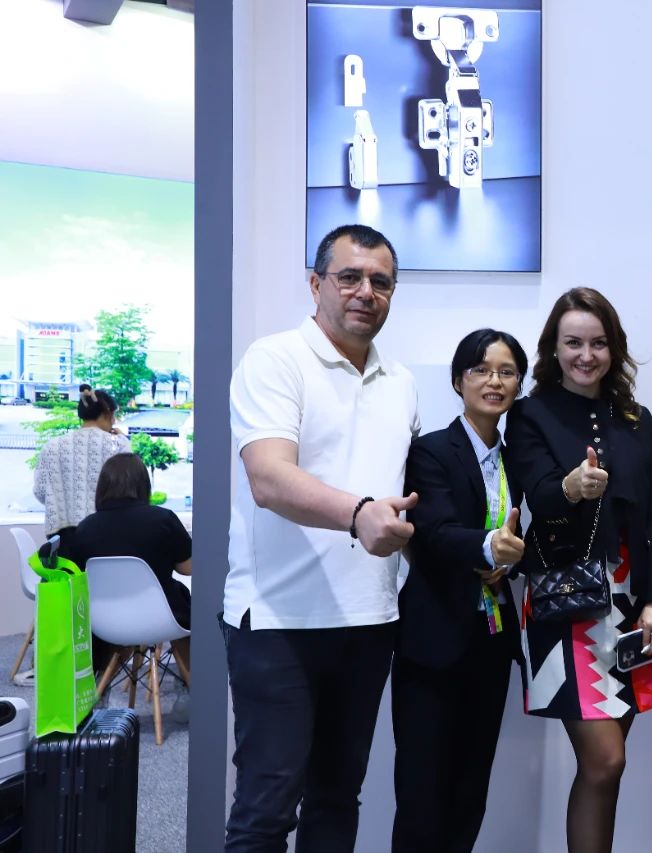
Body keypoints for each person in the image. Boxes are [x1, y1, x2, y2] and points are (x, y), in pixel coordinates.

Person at [222, 224, 420, 852]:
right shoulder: (275, 359)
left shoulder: (402, 382)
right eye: (349, 277)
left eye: (381, 282)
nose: (366, 292)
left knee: (336, 799)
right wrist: (359, 513)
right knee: (266, 808)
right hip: (278, 621)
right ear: (316, 284)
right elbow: (268, 479)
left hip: (369, 620)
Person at [504, 287, 652, 853]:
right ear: (553, 348)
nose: (586, 355)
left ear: (614, 349)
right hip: (566, 603)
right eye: (573, 342)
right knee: (605, 760)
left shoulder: (638, 419)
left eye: (598, 344)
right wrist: (571, 488)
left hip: (631, 606)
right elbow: (538, 494)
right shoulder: (529, 414)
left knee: (606, 772)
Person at [392, 329, 529, 852]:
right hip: (432, 643)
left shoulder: (517, 460)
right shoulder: (430, 451)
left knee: (470, 794)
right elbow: (434, 530)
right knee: (422, 797)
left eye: (507, 372)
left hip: (490, 645)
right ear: (458, 381)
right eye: (481, 370)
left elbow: (524, 535)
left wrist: (510, 559)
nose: (495, 381)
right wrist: (491, 547)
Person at [63, 452, 192, 676]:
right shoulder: (163, 519)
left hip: (105, 623)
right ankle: (194, 681)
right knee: (189, 606)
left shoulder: (86, 527)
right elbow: (188, 568)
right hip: (163, 618)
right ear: (143, 485)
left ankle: (101, 681)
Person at [33, 384, 130, 539]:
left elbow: (39, 491)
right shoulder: (117, 444)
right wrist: (123, 439)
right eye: (113, 416)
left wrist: (64, 506)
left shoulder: (52, 445)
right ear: (106, 413)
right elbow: (129, 487)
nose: (114, 422)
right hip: (105, 533)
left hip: (62, 538)